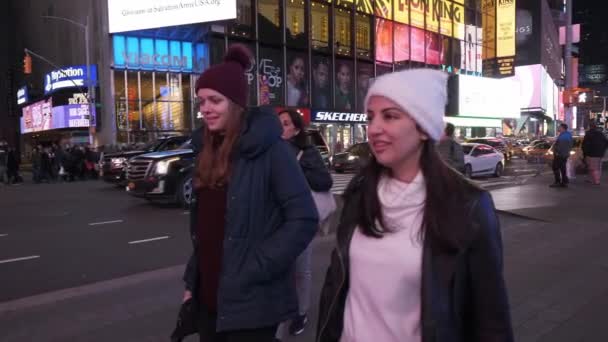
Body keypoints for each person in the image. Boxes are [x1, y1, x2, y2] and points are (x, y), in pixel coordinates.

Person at [316, 69, 513, 342]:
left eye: (390, 116)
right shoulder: (359, 192)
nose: (374, 129)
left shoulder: (468, 206)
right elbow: (335, 287)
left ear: (423, 127)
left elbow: (491, 320)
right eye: (370, 117)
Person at [181, 44, 319, 342]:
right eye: (201, 100)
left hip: (253, 306)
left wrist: (258, 265)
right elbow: (206, 228)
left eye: (215, 100)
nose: (205, 108)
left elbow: (304, 218)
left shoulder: (272, 151)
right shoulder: (206, 150)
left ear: (236, 104)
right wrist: (193, 280)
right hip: (210, 300)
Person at [276, 109, 333, 339]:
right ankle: (280, 316)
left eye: (286, 123)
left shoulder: (307, 153)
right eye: (279, 122)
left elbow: (325, 181)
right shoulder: (270, 151)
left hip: (302, 221)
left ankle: (300, 312)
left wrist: (297, 169)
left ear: (296, 129)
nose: (281, 127)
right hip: (277, 222)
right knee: (279, 270)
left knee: (301, 270)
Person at [550, 123, 574, 188]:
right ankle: (564, 181)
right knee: (562, 167)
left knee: (555, 167)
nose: (558, 128)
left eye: (559, 127)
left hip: (560, 154)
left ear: (563, 128)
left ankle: (558, 181)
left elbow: (561, 146)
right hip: (564, 154)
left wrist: (557, 152)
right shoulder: (566, 135)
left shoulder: (564, 136)